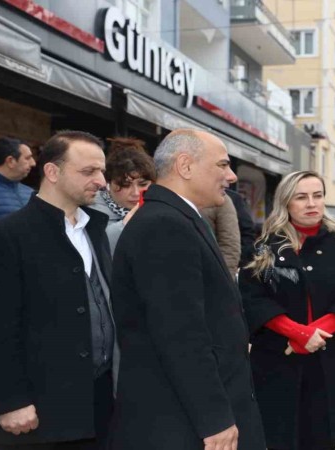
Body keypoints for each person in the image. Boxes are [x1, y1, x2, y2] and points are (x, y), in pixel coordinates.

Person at [109, 129, 266, 450]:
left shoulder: (179, 218)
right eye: (222, 165)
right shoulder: (164, 225)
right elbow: (181, 334)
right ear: (185, 165)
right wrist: (215, 420)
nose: (231, 176)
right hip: (182, 424)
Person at [0, 130, 116, 449]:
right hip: (36, 415)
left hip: (98, 409)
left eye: (102, 171)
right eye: (89, 171)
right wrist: (11, 401)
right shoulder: (5, 236)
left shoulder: (96, 231)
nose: (102, 181)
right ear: (52, 172)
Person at [239, 170, 335, 450]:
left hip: (328, 363)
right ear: (286, 202)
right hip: (277, 362)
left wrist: (313, 335)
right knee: (276, 438)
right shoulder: (264, 248)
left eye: (318, 196)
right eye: (302, 197)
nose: (312, 203)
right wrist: (296, 334)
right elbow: (253, 299)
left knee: (320, 439)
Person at [90, 137, 156, 254]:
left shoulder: (160, 208)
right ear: (108, 183)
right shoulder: (89, 211)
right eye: (125, 185)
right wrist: (125, 224)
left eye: (143, 184)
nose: (135, 193)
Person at [200, 195, 241, 277]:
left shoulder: (222, 199)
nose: (231, 181)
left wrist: (225, 279)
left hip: (210, 273)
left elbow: (230, 245)